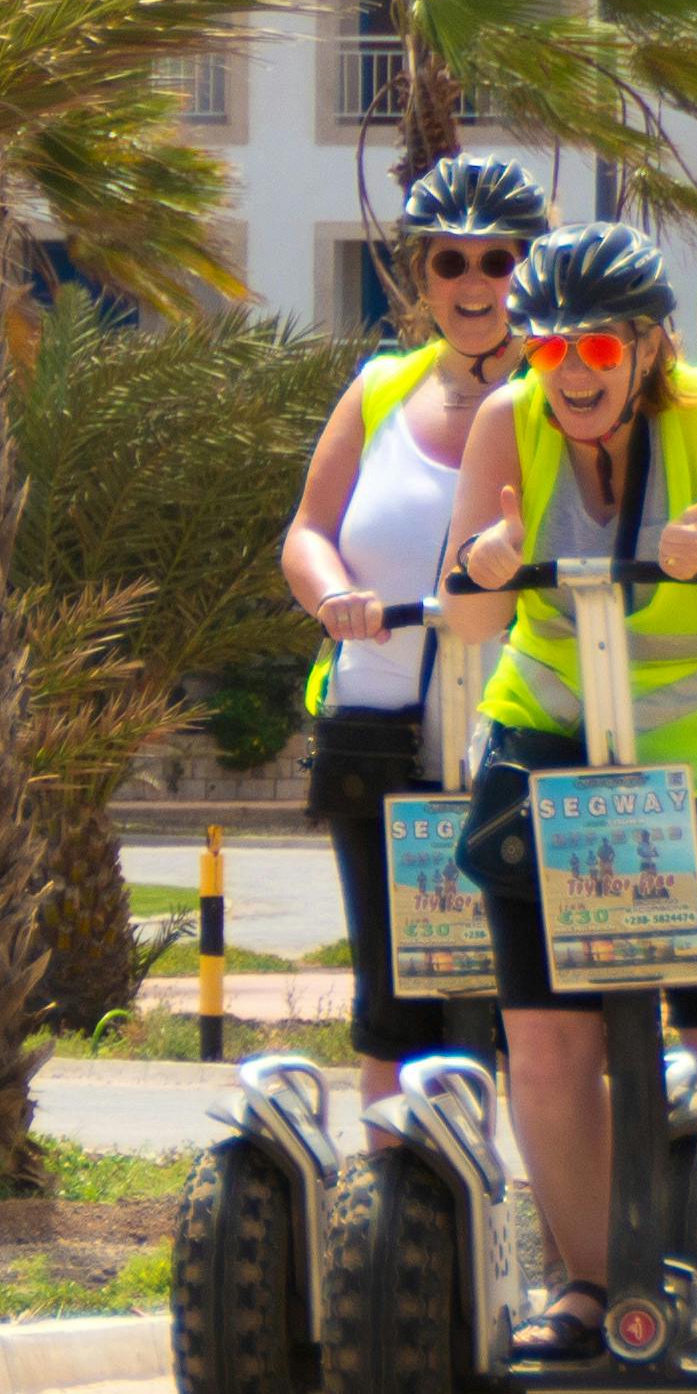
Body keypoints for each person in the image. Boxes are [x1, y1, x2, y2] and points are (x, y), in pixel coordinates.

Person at [440, 221, 697, 1365]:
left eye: (599, 346)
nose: (577, 373)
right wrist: (487, 569)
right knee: (547, 1036)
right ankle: (589, 1284)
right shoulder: (509, 423)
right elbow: (462, 614)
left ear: (649, 347)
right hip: (554, 739)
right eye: (552, 350)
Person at [280, 153, 548, 1103]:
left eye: (497, 260)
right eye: (450, 262)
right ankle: (398, 1216)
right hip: (381, 728)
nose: (474, 284)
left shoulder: (567, 394)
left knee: (539, 1001)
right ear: (422, 276)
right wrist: (333, 598)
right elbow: (309, 531)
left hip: (525, 730)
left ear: (529, 267)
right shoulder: (381, 390)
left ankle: (548, 1216)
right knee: (395, 998)